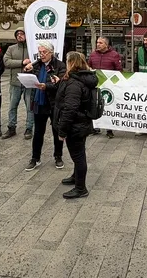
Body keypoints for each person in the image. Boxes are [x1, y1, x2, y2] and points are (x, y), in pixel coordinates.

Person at [54, 51, 97, 199]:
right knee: (79, 153)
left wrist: (62, 131)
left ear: (71, 63)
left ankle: (80, 188)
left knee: (78, 156)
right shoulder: (82, 78)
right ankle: (75, 177)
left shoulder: (74, 83)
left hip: (75, 125)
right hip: (81, 123)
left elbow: (70, 108)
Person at [23, 40, 67, 171]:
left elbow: (61, 84)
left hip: (54, 103)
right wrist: (26, 70)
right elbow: (29, 78)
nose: (41, 55)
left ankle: (58, 156)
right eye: (40, 52)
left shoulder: (59, 65)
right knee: (38, 132)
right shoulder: (36, 64)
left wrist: (46, 86)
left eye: (44, 52)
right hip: (39, 102)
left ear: (51, 53)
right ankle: (35, 158)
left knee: (56, 131)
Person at [87, 36, 122, 138]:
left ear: (106, 45)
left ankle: (109, 129)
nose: (98, 44)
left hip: (109, 86)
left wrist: (114, 83)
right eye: (97, 42)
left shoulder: (114, 55)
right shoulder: (93, 55)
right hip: (95, 85)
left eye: (100, 43)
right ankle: (95, 127)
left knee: (108, 106)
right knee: (94, 105)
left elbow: (119, 71)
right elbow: (89, 67)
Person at [2, 28, 34, 140]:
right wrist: (22, 62)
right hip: (15, 82)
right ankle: (11, 127)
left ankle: (29, 128)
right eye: (18, 34)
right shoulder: (11, 48)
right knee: (12, 106)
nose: (19, 36)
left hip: (29, 83)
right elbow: (6, 61)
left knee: (30, 107)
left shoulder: (32, 48)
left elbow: (38, 61)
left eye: (22, 34)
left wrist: (31, 65)